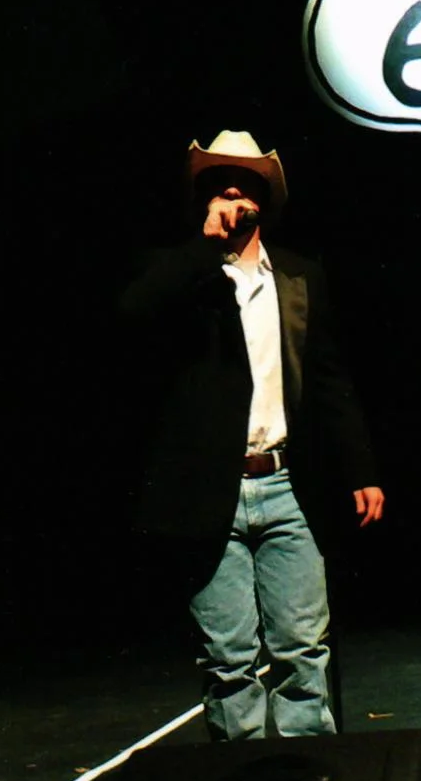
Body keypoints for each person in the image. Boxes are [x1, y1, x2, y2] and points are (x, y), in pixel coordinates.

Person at [120, 130, 384, 741]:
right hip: (209, 492)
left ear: (266, 199)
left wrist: (361, 469)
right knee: (229, 658)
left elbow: (329, 378)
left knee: (303, 647)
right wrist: (204, 248)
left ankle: (306, 773)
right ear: (203, 198)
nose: (234, 193)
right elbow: (133, 315)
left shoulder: (298, 275)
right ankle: (239, 779)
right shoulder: (178, 272)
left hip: (289, 483)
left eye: (245, 184)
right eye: (220, 184)